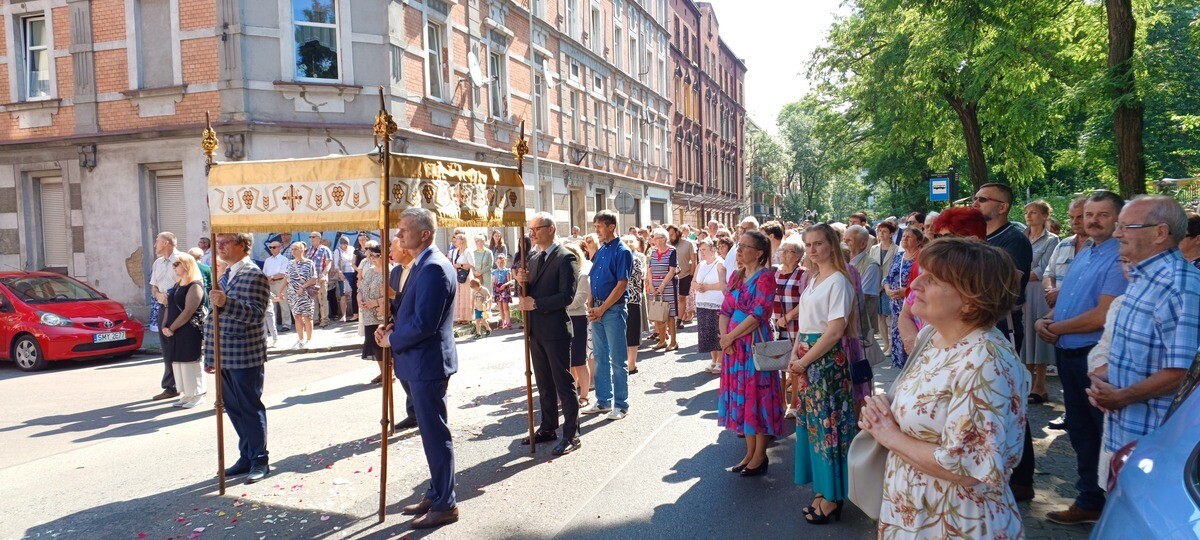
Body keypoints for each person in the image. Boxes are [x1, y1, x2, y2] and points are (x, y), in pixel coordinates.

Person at [860, 237, 1028, 538]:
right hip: (916, 513)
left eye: (932, 279)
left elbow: (967, 470)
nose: (915, 285)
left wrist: (887, 433)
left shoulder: (984, 360)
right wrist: (886, 408)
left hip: (955, 523)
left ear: (970, 298)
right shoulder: (932, 338)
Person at [1089, 196, 1199, 494]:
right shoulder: (1142, 278)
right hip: (1125, 434)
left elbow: (1182, 372)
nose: (1116, 233)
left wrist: (1123, 396)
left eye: (1126, 226)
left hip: (1154, 448)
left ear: (1160, 233)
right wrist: (1104, 380)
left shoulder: (1179, 286)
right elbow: (1140, 356)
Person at [1035, 190, 1128, 525]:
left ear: (1119, 218)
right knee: (1080, 431)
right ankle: (1089, 499)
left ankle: (1111, 506)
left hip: (1096, 356)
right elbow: (1067, 299)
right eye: (1089, 214)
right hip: (1069, 352)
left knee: (1103, 434)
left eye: (1102, 214)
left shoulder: (1120, 256)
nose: (1092, 220)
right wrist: (1047, 320)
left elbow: (1103, 314)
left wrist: (1056, 326)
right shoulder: (1085, 251)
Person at [375, 208, 460, 529]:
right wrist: (389, 328)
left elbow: (425, 322)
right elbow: (409, 311)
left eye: (403, 231)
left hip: (428, 362)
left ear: (424, 234)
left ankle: (446, 503)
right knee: (428, 433)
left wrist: (392, 340)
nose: (397, 237)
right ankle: (436, 490)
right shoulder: (418, 265)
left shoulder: (435, 267)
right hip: (417, 361)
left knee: (436, 435)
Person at [788, 223, 856, 524]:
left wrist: (804, 361)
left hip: (825, 363)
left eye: (817, 243)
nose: (812, 249)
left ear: (831, 244)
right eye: (808, 244)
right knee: (812, 426)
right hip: (806, 354)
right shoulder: (814, 277)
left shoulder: (839, 281)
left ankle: (832, 497)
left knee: (829, 428)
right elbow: (806, 323)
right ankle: (823, 487)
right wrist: (794, 352)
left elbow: (834, 331)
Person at [203, 232, 271, 483]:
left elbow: (255, 315)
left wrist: (227, 302)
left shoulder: (255, 275)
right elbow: (214, 319)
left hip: (244, 355)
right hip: (224, 355)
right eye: (218, 241)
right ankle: (246, 456)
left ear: (242, 245)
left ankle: (260, 460)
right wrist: (210, 356)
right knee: (233, 409)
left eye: (225, 242)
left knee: (249, 409)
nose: (219, 245)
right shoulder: (227, 274)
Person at [718, 230, 782, 478]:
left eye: (745, 246)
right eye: (739, 245)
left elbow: (758, 315)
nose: (740, 250)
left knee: (758, 396)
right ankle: (749, 452)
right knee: (743, 397)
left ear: (759, 252)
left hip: (753, 344)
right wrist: (725, 339)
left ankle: (760, 455)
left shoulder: (766, 278)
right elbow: (724, 310)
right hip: (734, 347)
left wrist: (730, 338)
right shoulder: (736, 275)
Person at [516, 212, 582, 454]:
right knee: (543, 384)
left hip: (555, 330)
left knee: (563, 383)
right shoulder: (532, 258)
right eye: (530, 228)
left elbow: (567, 296)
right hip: (536, 331)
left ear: (551, 229)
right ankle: (548, 427)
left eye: (537, 228)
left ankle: (572, 434)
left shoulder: (566, 258)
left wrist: (536, 304)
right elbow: (526, 293)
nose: (532, 233)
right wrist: (519, 280)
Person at [582, 210, 633, 421]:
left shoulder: (623, 251)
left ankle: (621, 405)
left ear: (611, 226)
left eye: (599, 226)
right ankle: (603, 400)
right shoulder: (601, 250)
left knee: (617, 359)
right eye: (595, 227)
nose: (596, 230)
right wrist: (592, 305)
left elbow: (622, 285)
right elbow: (593, 280)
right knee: (600, 357)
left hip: (613, 311)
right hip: (598, 310)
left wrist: (602, 309)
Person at [1024, 200, 1060, 403]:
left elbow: (1044, 269)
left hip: (1038, 291)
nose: (1029, 216)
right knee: (1024, 336)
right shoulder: (1021, 237)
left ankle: (1040, 385)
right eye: (1027, 212)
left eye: (1034, 212)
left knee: (1038, 336)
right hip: (1020, 290)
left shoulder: (1052, 240)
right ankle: (1026, 382)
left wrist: (1017, 276)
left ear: (1045, 216)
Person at [161, 253, 206, 409]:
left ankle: (198, 394)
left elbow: (188, 311)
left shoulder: (195, 285)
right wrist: (164, 325)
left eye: (176, 264)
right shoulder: (178, 283)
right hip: (174, 330)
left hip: (188, 330)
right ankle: (187, 394)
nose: (173, 267)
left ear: (186, 265)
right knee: (178, 362)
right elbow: (169, 305)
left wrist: (171, 328)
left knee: (190, 362)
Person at [386, 236, 419, 430]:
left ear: (405, 250)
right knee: (403, 374)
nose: (390, 252)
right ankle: (413, 413)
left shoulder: (420, 270)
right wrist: (389, 323)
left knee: (416, 378)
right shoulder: (396, 271)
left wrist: (393, 296)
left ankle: (422, 414)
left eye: (393, 248)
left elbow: (412, 301)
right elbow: (395, 304)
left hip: (414, 331)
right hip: (398, 329)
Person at [773, 238, 806, 418]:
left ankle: (794, 402)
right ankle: (781, 401)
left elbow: (805, 301)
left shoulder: (803, 274)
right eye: (782, 250)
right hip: (777, 324)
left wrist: (789, 316)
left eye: (788, 251)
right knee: (778, 362)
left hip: (794, 324)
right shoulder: (776, 272)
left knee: (792, 362)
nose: (783, 254)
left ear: (798, 256)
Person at [150, 231, 184, 401]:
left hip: (179, 307)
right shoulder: (157, 263)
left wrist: (172, 295)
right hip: (164, 307)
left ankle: (187, 385)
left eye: (157, 241)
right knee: (167, 348)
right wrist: (158, 296)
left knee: (182, 346)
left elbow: (188, 281)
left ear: (165, 243)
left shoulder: (181, 259)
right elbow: (153, 287)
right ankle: (171, 386)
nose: (155, 244)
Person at [883, 228, 923, 367]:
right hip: (895, 304)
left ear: (918, 241)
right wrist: (887, 289)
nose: (904, 239)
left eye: (909, 237)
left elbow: (924, 283)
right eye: (903, 236)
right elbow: (887, 277)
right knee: (898, 335)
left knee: (911, 336)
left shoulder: (921, 258)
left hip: (912, 305)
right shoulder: (898, 256)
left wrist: (905, 292)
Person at [563, 242, 593, 405]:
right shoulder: (561, 274)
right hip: (563, 318)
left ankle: (584, 395)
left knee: (579, 360)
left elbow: (580, 299)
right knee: (566, 361)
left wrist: (559, 304)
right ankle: (570, 393)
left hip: (577, 318)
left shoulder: (582, 274)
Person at [358, 243, 390, 385]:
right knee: (373, 343)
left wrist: (375, 302)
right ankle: (383, 372)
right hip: (368, 313)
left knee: (384, 343)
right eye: (371, 256)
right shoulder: (370, 271)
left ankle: (389, 373)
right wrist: (360, 301)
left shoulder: (390, 271)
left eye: (376, 256)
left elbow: (393, 296)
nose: (373, 259)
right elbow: (361, 289)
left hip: (382, 312)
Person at [695, 238, 727, 374]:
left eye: (704, 250)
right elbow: (693, 281)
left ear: (712, 250)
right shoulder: (700, 265)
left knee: (716, 332)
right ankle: (713, 360)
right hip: (702, 303)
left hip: (716, 303)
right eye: (700, 250)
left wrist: (707, 287)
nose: (702, 253)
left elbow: (722, 284)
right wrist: (697, 286)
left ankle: (720, 361)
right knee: (707, 333)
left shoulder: (720, 264)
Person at [647, 228, 679, 351]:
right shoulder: (652, 252)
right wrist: (652, 285)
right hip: (654, 284)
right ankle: (662, 340)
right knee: (658, 312)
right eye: (655, 238)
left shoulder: (672, 250)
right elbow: (649, 269)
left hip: (668, 284)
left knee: (670, 314)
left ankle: (673, 341)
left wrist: (662, 285)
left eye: (658, 238)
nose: (656, 240)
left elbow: (672, 270)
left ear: (664, 239)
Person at [285, 242, 318, 349]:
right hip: (293, 294)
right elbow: (286, 278)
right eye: (292, 249)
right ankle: (300, 339)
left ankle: (309, 339)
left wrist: (303, 287)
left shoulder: (309, 263)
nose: (293, 251)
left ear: (302, 250)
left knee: (307, 317)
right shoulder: (290, 263)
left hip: (305, 294)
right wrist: (280, 291)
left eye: (295, 249)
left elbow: (313, 278)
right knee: (297, 317)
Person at [622, 235, 647, 374]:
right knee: (630, 332)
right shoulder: (635, 259)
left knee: (628, 332)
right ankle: (630, 364)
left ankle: (629, 363)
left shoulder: (629, 260)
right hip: (632, 299)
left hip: (626, 299)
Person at [668, 224, 697, 324]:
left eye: (672, 235)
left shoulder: (688, 244)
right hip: (670, 276)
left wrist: (691, 276)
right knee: (671, 298)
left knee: (681, 297)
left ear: (677, 233)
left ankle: (679, 320)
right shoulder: (667, 244)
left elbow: (693, 261)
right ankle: (671, 319)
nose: (670, 237)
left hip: (685, 275)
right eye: (669, 235)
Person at [262, 241, 289, 346]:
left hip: (280, 282)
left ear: (279, 248)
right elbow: (264, 272)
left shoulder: (284, 259)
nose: (272, 249)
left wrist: (272, 277)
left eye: (274, 247)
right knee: (271, 306)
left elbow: (283, 273)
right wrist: (268, 279)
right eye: (270, 247)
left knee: (283, 303)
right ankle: (272, 327)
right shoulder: (268, 260)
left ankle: (286, 324)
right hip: (269, 283)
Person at [306, 232, 333, 327]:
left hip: (320, 278)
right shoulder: (309, 250)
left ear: (319, 238)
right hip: (311, 279)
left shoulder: (325, 249)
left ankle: (325, 319)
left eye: (313, 237)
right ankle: (315, 319)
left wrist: (324, 274)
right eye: (310, 237)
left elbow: (329, 263)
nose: (311, 238)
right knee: (313, 300)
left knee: (322, 299)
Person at [450, 233, 474, 324]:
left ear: (462, 240)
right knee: (458, 296)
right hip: (457, 275)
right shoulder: (455, 251)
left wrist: (460, 265)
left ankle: (467, 317)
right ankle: (459, 317)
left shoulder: (468, 251)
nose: (456, 240)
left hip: (466, 276)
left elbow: (472, 264)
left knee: (466, 296)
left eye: (458, 239)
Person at [333, 236, 358, 322]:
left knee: (354, 293)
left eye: (346, 244)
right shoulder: (337, 251)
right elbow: (336, 264)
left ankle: (356, 313)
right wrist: (339, 272)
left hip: (352, 272)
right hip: (343, 273)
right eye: (343, 244)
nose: (345, 246)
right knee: (343, 294)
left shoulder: (352, 249)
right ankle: (343, 315)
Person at [492, 254, 514, 329]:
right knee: (500, 307)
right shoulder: (494, 272)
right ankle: (503, 321)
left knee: (505, 307)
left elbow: (510, 281)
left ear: (505, 262)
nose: (500, 264)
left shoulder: (507, 271)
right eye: (498, 262)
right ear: (496, 263)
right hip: (498, 291)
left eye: (501, 262)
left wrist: (504, 285)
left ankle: (508, 322)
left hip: (505, 290)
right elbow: (493, 281)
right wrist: (493, 285)